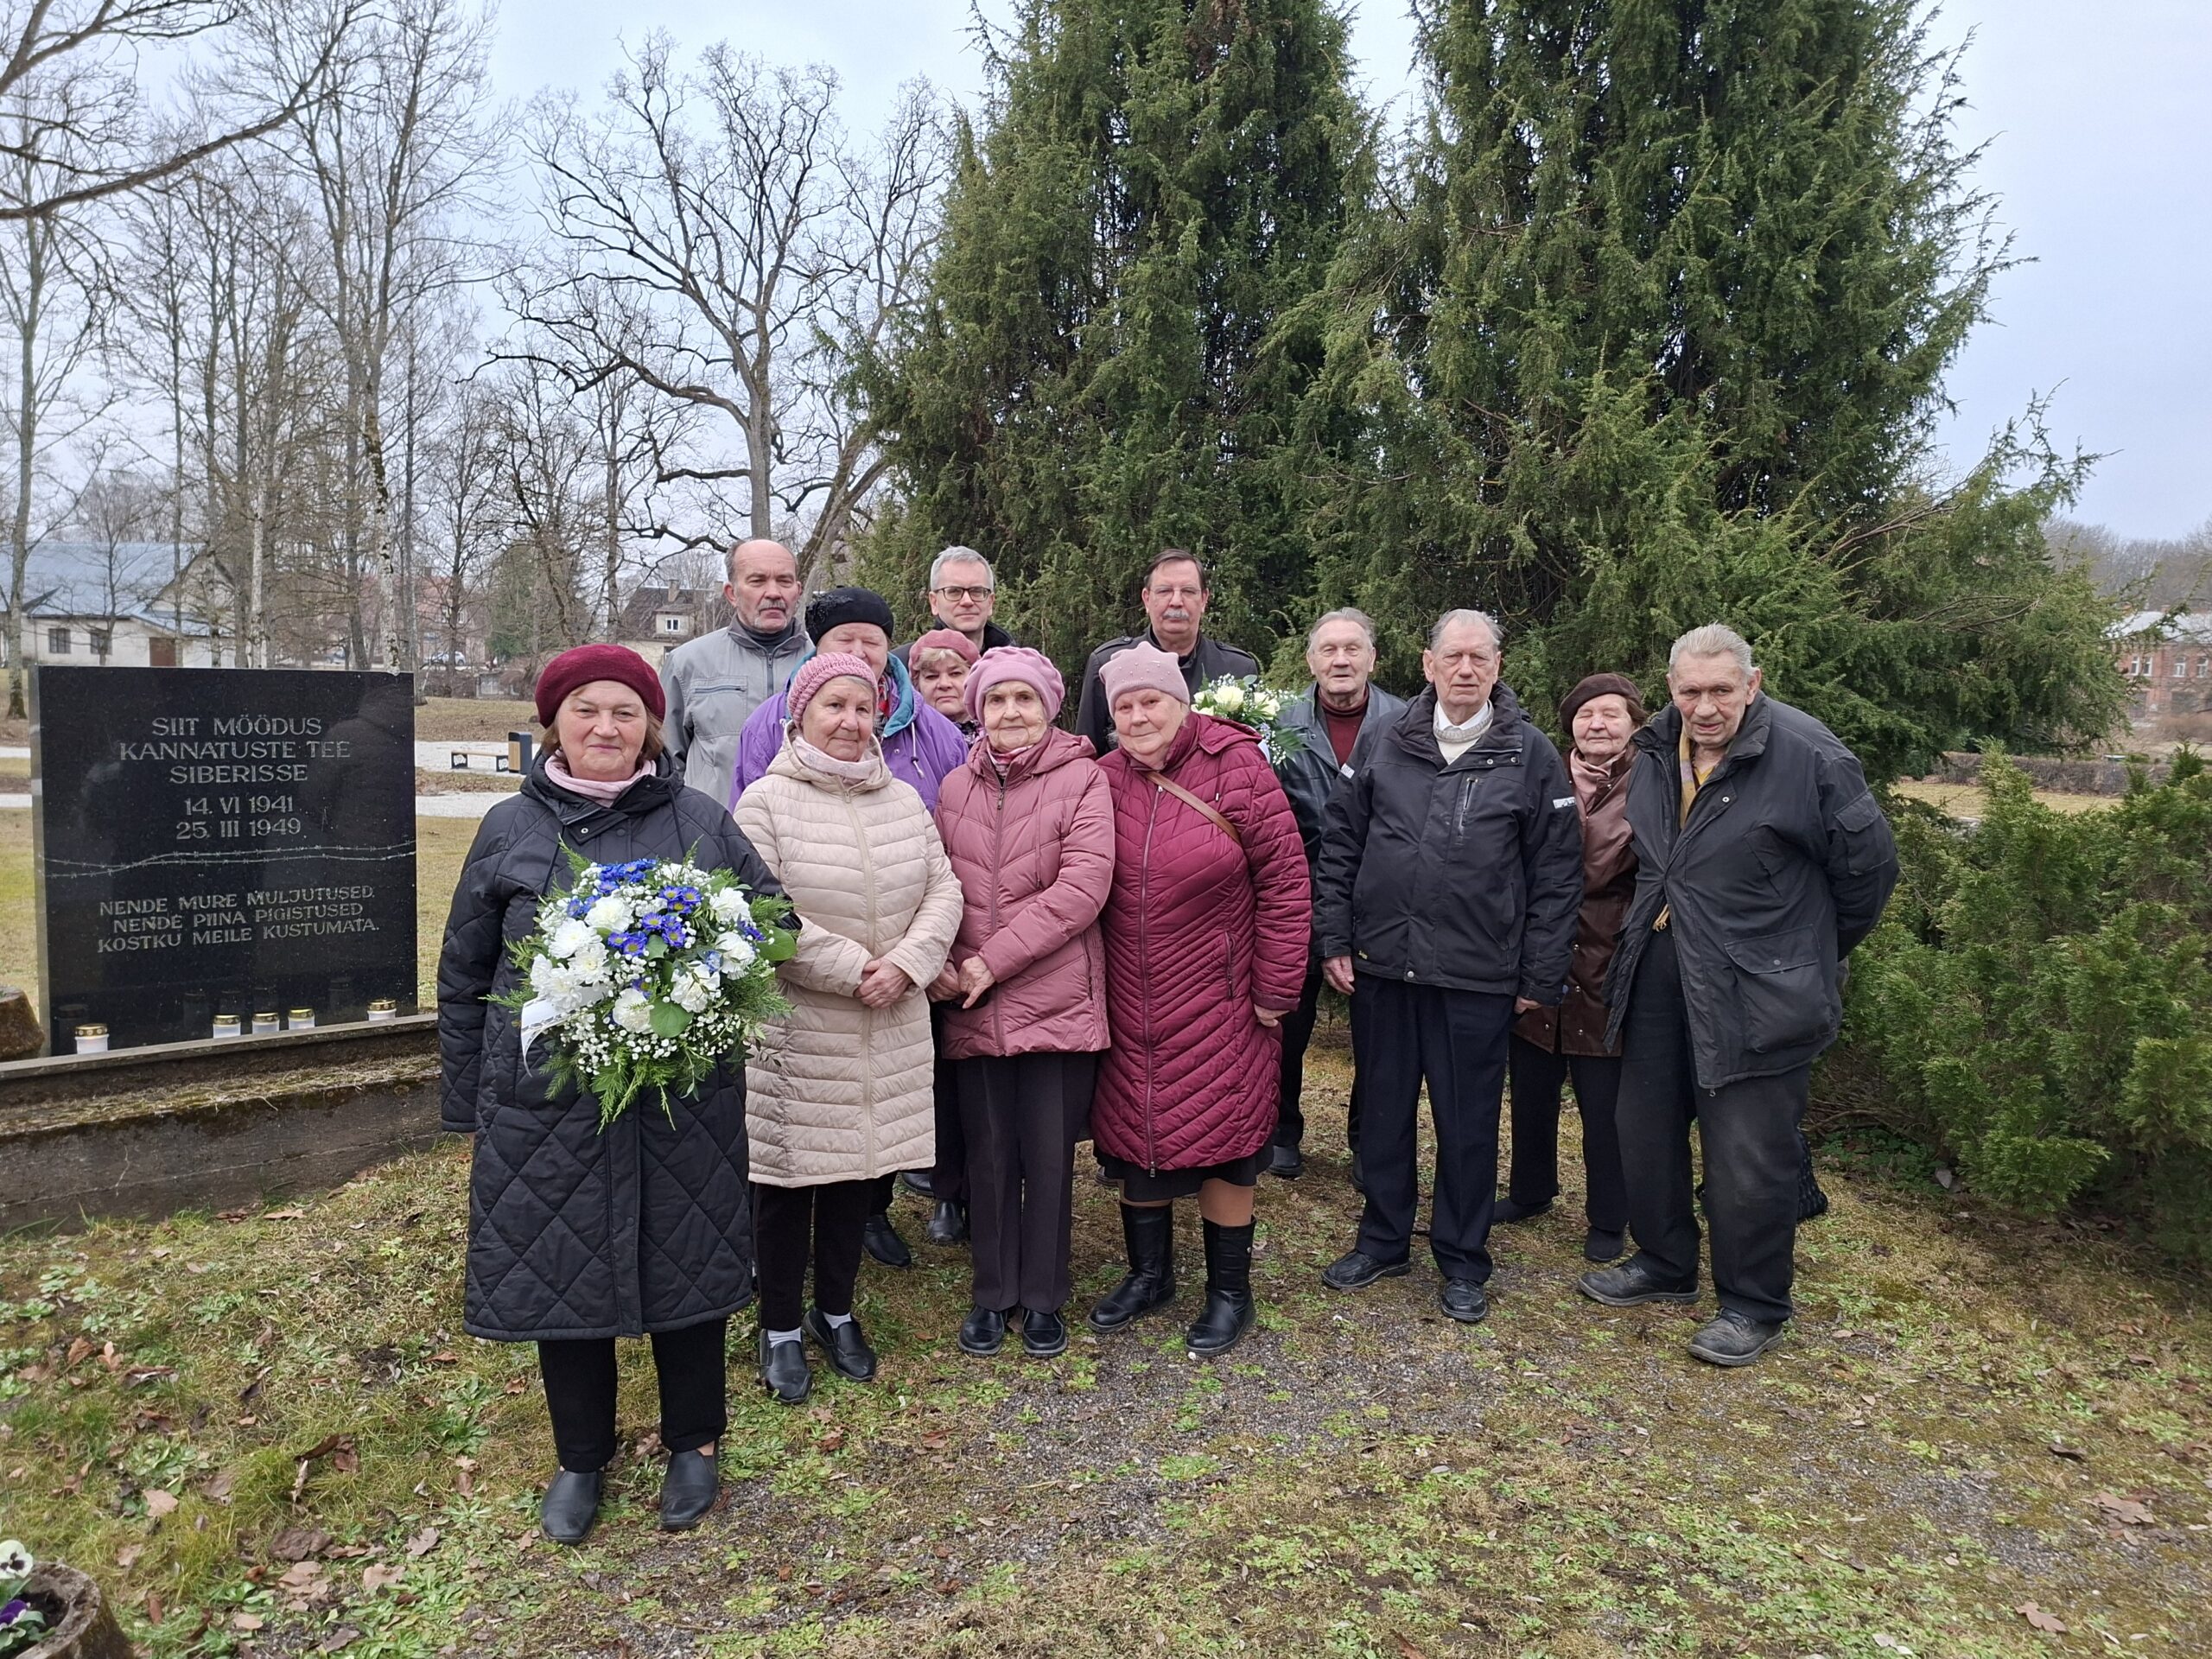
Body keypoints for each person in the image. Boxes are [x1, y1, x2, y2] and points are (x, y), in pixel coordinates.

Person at [439, 644, 779, 1544]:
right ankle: (580, 1457)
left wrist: (707, 988)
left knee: (690, 1266)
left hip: (682, 1098)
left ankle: (694, 1443)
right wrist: (471, 1102)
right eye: (587, 710)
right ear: (554, 723)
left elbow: (769, 921)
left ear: (650, 728)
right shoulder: (510, 829)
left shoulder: (698, 819)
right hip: (547, 1104)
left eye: (625, 713)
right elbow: (465, 974)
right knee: (563, 1274)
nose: (606, 727)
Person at [1579, 625, 1897, 1366]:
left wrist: (1799, 953)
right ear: (1671, 690)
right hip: (1662, 962)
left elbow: (1868, 876)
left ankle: (1754, 1302)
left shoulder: (1809, 755)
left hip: (1760, 985)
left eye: (1722, 690)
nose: (1706, 707)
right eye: (1691, 691)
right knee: (1644, 1125)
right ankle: (1665, 1263)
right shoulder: (1658, 746)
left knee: (1747, 1151)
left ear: (1752, 684)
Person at [1313, 610, 1582, 1324]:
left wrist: (1537, 977)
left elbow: (1557, 876)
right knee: (1384, 1114)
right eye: (1452, 657)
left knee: (1466, 1125)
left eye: (1480, 659)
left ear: (1497, 668)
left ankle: (1463, 1259)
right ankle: (1383, 1239)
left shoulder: (1530, 754)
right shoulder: (1384, 741)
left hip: (1477, 975)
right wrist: (1334, 938)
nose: (1466, 670)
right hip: (1384, 967)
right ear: (1427, 665)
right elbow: (1340, 844)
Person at [732, 652, 963, 1404]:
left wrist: (910, 963)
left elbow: (944, 889)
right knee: (788, 1184)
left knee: (857, 1177)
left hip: (889, 1020)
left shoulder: (901, 801)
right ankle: (779, 1330)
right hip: (802, 1026)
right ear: (800, 714)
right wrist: (859, 968)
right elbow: (763, 914)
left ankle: (835, 1310)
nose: (849, 722)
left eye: (863, 708)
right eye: (834, 705)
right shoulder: (765, 804)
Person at [1086, 645, 1309, 1356]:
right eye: (1123, 706)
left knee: (1225, 1143)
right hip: (1128, 997)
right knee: (1137, 1135)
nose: (1138, 715)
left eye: (1150, 700)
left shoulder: (1236, 765)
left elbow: (1284, 881)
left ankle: (1228, 1292)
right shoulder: (1102, 779)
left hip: (1222, 997)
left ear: (1181, 702)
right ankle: (1149, 1276)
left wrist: (1277, 986)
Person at [931, 648, 1113, 1358]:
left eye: (1024, 700)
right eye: (997, 700)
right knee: (988, 1154)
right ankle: (992, 1293)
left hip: (1053, 997)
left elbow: (1082, 888)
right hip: (970, 999)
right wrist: (945, 965)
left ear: (1049, 707)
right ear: (978, 711)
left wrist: (988, 962)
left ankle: (1042, 1296)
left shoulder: (1082, 778)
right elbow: (934, 882)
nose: (1010, 713)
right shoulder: (953, 786)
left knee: (1046, 1157)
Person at [1497, 672, 1645, 1264]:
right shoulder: (1546, 774)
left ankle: (1610, 1215)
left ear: (1634, 720)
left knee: (1603, 1101)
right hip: (1539, 950)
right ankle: (1531, 1191)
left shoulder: (1652, 781)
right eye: (1586, 716)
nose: (1597, 724)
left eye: (1611, 714)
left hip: (1612, 955)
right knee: (1531, 1086)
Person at [1267, 607, 1406, 1180]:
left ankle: (1367, 1140)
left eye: (1353, 649)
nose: (1341, 660)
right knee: (1285, 1021)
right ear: (1311, 660)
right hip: (1297, 889)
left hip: (1382, 893)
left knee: (1378, 1030)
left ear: (1373, 658)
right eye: (1329, 650)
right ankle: (1280, 1131)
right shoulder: (1278, 723)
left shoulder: (1406, 721)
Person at [728, 586, 969, 816]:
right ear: (817, 646)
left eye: (872, 642)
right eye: (845, 639)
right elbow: (747, 831)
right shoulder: (767, 725)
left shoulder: (939, 734)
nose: (858, 652)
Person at [659, 538, 808, 807]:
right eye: (757, 581)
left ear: (798, 590)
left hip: (804, 835)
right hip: (716, 835)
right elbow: (665, 761)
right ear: (731, 593)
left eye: (784, 581)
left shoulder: (823, 662)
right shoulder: (687, 663)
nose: (773, 592)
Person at [1072, 552, 1260, 754]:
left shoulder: (1238, 668)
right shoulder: (1107, 664)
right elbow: (1087, 757)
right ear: (1146, 599)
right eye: (1164, 591)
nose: (1176, 601)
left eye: (1188, 591)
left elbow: (1254, 754)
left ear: (1204, 599)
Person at [898, 546, 1015, 664]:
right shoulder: (900, 669)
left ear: (990, 602)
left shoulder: (1017, 667)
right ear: (934, 602)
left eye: (977, 591)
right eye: (954, 591)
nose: (967, 601)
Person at [909, 628, 981, 733]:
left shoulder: (999, 732)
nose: (944, 684)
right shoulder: (908, 739)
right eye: (932, 676)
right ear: (917, 686)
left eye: (955, 674)